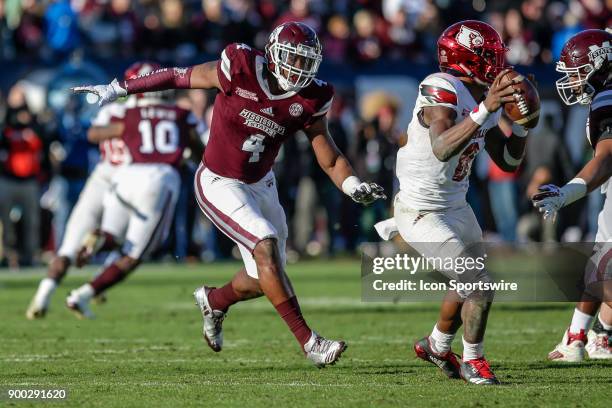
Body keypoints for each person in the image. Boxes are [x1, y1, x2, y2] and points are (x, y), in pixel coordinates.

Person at [73, 21, 385, 367]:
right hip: (218, 182)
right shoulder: (240, 66)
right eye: (292, 59)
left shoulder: (313, 97)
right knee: (264, 246)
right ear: (274, 54)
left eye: (305, 61)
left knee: (265, 274)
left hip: (262, 184)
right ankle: (310, 343)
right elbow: (178, 75)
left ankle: (215, 300)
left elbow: (328, 153)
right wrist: (120, 88)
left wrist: (353, 185)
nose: (298, 69)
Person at [376, 20, 530, 385]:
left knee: (465, 284)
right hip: (421, 210)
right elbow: (442, 147)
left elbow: (508, 161)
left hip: (457, 207)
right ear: (465, 60)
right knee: (478, 282)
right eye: (488, 57)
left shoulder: (480, 99)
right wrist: (486, 108)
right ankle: (473, 360)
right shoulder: (441, 86)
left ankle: (436, 344)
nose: (497, 65)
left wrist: (524, 124)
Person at [26, 63, 158, 320]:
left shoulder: (111, 111)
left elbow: (92, 134)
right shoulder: (152, 115)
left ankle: (43, 296)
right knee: (123, 244)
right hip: (128, 180)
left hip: (100, 177)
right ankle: (95, 280)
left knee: (67, 247)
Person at [65, 69, 198, 319]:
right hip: (159, 178)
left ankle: (98, 240)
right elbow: (198, 149)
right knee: (135, 255)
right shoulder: (180, 114)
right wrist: (188, 156)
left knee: (113, 238)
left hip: (125, 176)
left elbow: (96, 134)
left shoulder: (130, 112)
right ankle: (81, 295)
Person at [532, 29, 612, 362]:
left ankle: (579, 339)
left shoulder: (607, 98)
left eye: (578, 71)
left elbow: (607, 158)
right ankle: (584, 338)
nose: (573, 80)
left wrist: (567, 193)